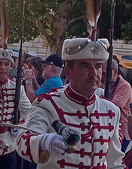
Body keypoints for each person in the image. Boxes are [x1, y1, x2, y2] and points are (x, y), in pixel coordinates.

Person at [18, 37, 124, 169]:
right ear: (68, 72)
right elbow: (23, 142)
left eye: (97, 66)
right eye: (85, 66)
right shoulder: (47, 104)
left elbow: (114, 162)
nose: (94, 73)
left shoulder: (111, 110)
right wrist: (44, 141)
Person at [105, 59, 132, 151]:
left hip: (122, 132)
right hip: (109, 129)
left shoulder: (124, 86)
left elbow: (111, 108)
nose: (102, 77)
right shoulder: (106, 83)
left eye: (105, 74)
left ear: (115, 72)